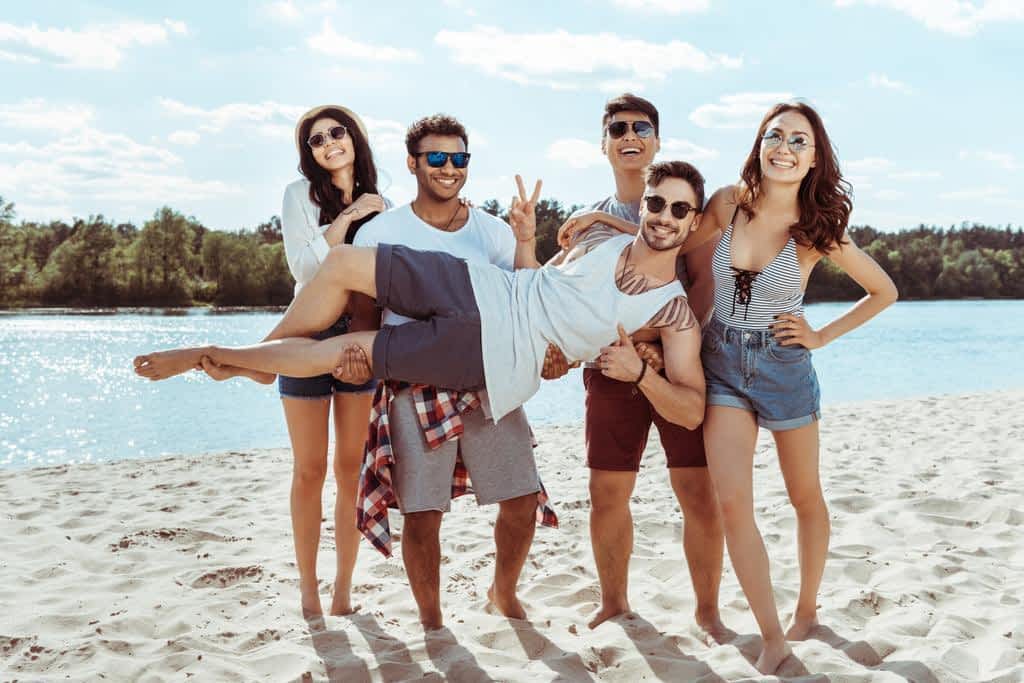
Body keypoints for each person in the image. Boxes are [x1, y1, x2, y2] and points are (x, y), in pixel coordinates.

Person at [133, 159, 708, 452]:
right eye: (656, 202)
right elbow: (545, 272)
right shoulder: (600, 236)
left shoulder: (673, 314)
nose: (663, 216)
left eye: (680, 210)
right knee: (345, 263)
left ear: (694, 220)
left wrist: (641, 375)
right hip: (481, 286)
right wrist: (604, 219)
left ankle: (221, 354)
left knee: (349, 349)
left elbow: (691, 410)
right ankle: (257, 360)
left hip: (494, 355)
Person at [696, 101, 898, 673]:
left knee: (804, 495)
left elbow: (883, 291)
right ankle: (772, 638)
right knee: (734, 503)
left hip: (783, 366)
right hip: (721, 365)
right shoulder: (728, 202)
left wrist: (822, 335)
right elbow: (674, 244)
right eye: (774, 135)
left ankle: (806, 610)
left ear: (814, 158)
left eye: (798, 141)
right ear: (760, 143)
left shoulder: (815, 230)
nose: (784, 147)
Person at [340, 113, 551, 629]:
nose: (449, 167)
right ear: (413, 164)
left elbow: (529, 301)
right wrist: (359, 364)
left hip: (488, 380)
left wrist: (526, 240)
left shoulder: (493, 231)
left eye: (459, 158)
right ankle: (431, 618)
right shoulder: (381, 230)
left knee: (521, 500)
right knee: (423, 510)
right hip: (415, 385)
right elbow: (364, 313)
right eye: (437, 157)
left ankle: (503, 592)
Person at [199, 104, 388, 620]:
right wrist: (348, 218)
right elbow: (304, 266)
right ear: (308, 152)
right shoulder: (299, 196)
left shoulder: (385, 204)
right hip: (307, 331)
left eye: (337, 132)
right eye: (315, 138)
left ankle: (344, 589)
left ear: (355, 137)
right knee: (309, 469)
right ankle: (309, 590)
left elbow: (387, 279)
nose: (328, 142)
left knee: (352, 470)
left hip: (360, 339)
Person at [555, 94, 726, 635]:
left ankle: (707, 611)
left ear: (657, 140)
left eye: (642, 127)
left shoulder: (680, 203)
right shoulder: (594, 224)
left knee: (698, 491)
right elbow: (563, 295)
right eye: (618, 128)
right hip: (610, 364)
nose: (630, 136)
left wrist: (658, 345)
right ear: (603, 143)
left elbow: (699, 283)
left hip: (680, 361)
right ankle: (614, 602)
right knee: (606, 492)